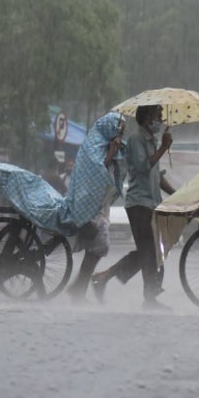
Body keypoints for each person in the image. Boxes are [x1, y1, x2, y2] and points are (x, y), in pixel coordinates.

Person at [91, 104, 175, 310]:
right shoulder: (137, 139)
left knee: (150, 251)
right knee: (151, 251)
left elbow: (157, 175)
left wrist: (176, 193)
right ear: (147, 116)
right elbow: (143, 167)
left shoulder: (151, 140)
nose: (161, 119)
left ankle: (103, 277)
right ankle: (149, 297)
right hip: (139, 203)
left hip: (152, 202)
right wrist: (164, 148)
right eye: (158, 115)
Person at [65, 120, 125, 303]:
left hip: (100, 207)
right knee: (101, 245)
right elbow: (95, 173)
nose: (120, 136)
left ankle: (78, 288)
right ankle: (78, 288)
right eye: (119, 131)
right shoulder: (94, 150)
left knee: (95, 248)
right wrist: (111, 153)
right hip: (88, 207)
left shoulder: (106, 148)